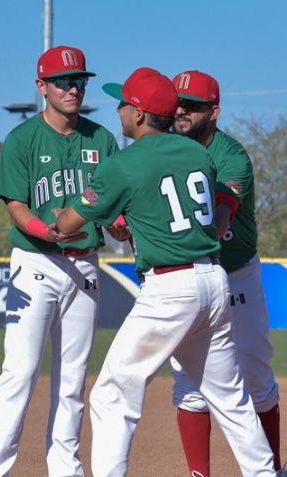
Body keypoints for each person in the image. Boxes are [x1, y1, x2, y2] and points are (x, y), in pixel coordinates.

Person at [55, 66, 279, 477]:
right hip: (212, 280)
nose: (118, 109)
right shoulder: (195, 153)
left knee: (112, 393)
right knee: (230, 397)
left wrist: (61, 220)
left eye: (122, 103)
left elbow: (68, 225)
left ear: (138, 114)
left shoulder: (123, 163)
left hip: (171, 287)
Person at [0, 45, 121, 477]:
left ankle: (66, 470)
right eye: (64, 81)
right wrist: (48, 232)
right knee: (20, 374)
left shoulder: (102, 139)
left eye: (80, 80)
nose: (73, 88)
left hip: (85, 265)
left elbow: (117, 202)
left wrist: (119, 224)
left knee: (73, 381)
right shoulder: (22, 139)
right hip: (36, 263)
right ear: (41, 86)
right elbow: (17, 207)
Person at [170, 69, 281, 476]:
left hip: (235, 273)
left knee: (256, 376)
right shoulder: (163, 149)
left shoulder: (230, 155)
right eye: (177, 102)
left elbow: (219, 219)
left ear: (213, 112)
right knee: (188, 385)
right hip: (188, 276)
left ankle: (274, 467)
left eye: (192, 105)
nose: (180, 110)